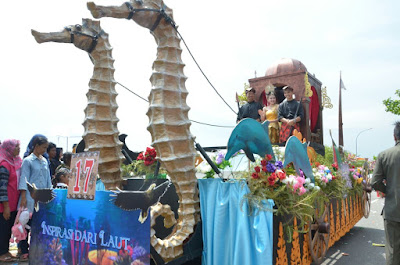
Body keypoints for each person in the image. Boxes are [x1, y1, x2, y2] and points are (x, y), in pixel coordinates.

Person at [18, 135, 52, 261]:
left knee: (38, 223)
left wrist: (49, 194)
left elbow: (48, 179)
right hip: (29, 197)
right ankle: (23, 250)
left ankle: (36, 249)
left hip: (42, 198)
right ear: (36, 146)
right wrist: (23, 197)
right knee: (25, 223)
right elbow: (24, 179)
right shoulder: (28, 161)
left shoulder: (44, 161)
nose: (45, 150)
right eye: (43, 147)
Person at [371, 121, 400, 265]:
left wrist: (388, 192)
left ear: (395, 137)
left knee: (393, 251)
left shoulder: (384, 155)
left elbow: (375, 182)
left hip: (393, 210)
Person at [0, 139, 21, 262]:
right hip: (5, 205)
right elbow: (2, 187)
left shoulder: (14, 162)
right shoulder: (4, 164)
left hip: (13, 204)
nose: (18, 148)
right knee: (3, 229)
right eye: (16, 146)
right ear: (9, 148)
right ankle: (1, 253)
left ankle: (6, 250)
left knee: (8, 229)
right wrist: (6, 207)